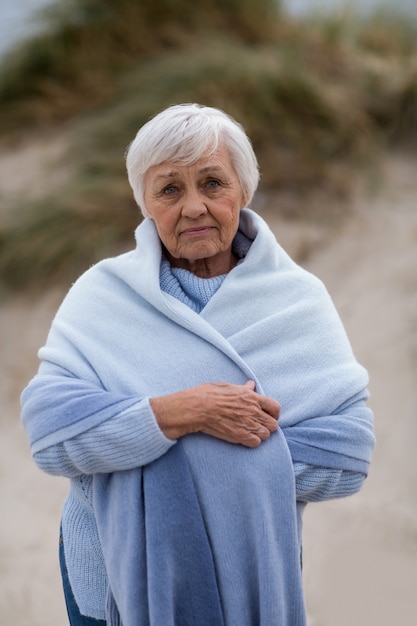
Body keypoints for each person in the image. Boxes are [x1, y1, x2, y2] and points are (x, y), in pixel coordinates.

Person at [21, 103, 375, 626]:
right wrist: (184, 412)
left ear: (243, 190)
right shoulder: (103, 294)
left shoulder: (297, 300)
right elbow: (52, 436)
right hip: (108, 579)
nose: (193, 207)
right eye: (169, 189)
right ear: (145, 202)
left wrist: (160, 455)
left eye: (212, 183)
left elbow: (347, 456)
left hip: (254, 583)